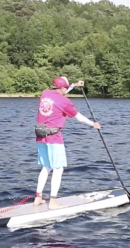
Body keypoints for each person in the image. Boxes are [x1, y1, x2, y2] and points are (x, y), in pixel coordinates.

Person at [33, 76, 101, 209]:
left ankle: (38, 198)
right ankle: (53, 202)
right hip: (54, 137)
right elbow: (79, 118)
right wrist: (93, 124)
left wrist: (74, 85)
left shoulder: (45, 93)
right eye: (66, 87)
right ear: (63, 88)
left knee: (46, 167)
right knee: (58, 169)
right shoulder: (65, 102)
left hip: (41, 136)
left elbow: (61, 92)